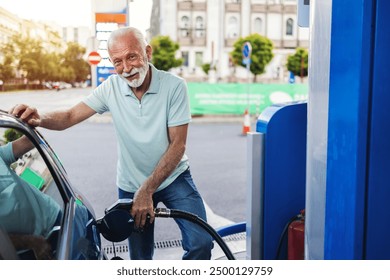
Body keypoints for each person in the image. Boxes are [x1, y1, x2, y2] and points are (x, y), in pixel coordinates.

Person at [10, 26, 213, 260]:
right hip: (131, 182)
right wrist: (40, 117)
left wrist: (147, 189)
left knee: (201, 243)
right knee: (139, 256)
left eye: (132, 57)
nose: (126, 68)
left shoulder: (174, 87)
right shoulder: (110, 88)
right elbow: (69, 116)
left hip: (173, 178)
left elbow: (178, 145)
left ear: (148, 52)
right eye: (118, 62)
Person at [0, 136, 61, 259]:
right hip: (24, 252)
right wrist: (30, 242)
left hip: (54, 219)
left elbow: (29, 140)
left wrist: (30, 120)